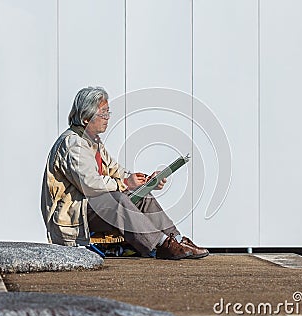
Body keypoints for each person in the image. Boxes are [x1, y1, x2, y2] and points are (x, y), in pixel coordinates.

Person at [41, 86, 209, 260]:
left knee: (142, 196)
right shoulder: (73, 144)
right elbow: (90, 184)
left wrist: (143, 181)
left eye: (108, 112)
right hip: (75, 214)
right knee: (117, 200)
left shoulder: (92, 142)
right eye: (103, 113)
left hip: (92, 208)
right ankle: (160, 244)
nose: (107, 118)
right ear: (85, 119)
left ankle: (177, 240)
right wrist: (125, 183)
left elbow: (116, 170)